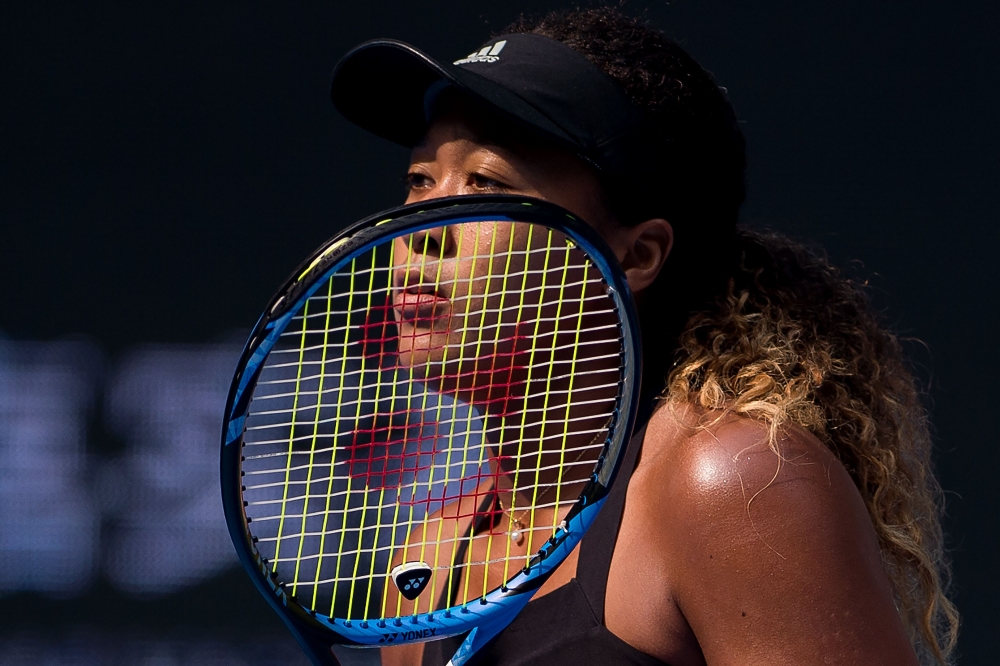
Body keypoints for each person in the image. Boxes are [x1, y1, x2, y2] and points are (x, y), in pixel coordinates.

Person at [329, 7, 959, 665]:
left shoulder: (734, 484)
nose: (420, 229)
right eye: (419, 181)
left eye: (487, 182)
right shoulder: (420, 571)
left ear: (636, 256)